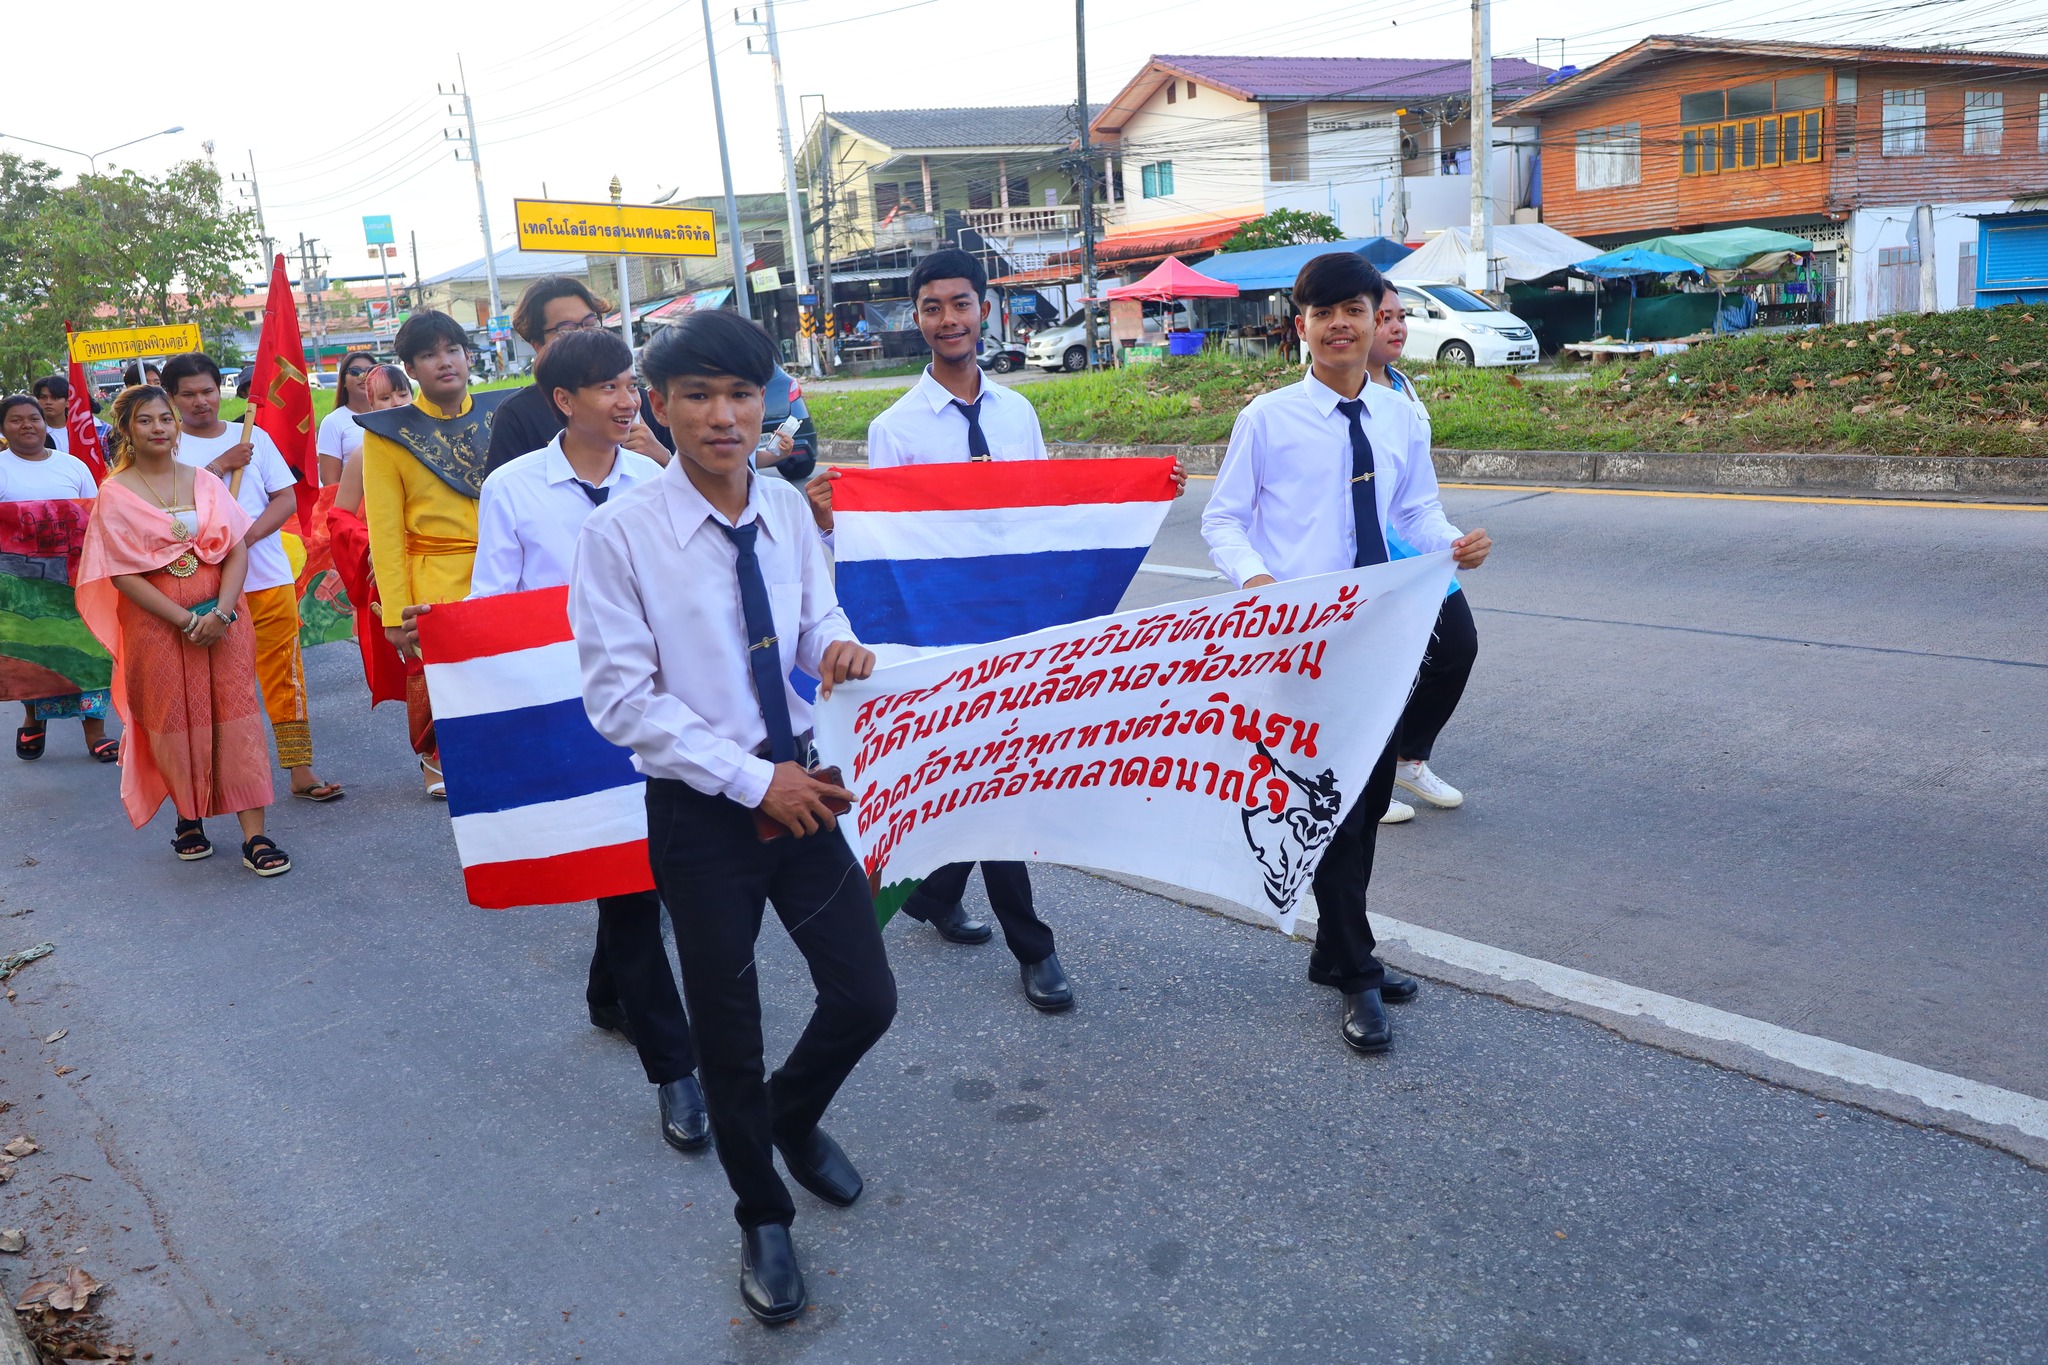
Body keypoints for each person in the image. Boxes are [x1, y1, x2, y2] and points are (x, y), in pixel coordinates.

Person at [570, 310, 893, 1326]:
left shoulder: (786, 508)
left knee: (865, 995)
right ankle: (762, 1215)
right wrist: (753, 783)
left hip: (804, 787)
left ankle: (791, 1118)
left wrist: (833, 650)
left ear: (767, 403)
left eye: (742, 395)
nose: (723, 416)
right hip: (704, 810)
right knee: (729, 1028)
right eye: (698, 396)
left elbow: (812, 620)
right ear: (657, 408)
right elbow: (621, 702)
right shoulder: (618, 535)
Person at [806, 249, 1185, 1012]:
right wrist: (831, 519)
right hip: (943, 631)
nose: (948, 319)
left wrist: (1139, 495)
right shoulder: (894, 428)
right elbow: (888, 543)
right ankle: (1034, 948)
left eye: (960, 304)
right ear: (918, 319)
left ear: (984, 310)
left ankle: (934, 892)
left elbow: (1044, 515)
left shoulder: (1017, 414)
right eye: (932, 307)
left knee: (995, 779)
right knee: (999, 787)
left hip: (1016, 626)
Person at [422, 328, 708, 1154]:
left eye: (630, 385)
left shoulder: (655, 478)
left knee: (645, 876)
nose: (627, 401)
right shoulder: (514, 487)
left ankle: (609, 995)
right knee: (629, 883)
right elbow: (496, 602)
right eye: (609, 387)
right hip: (567, 710)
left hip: (654, 702)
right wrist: (447, 636)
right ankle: (676, 1069)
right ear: (563, 401)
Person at [1201, 252, 1492, 1057]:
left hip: (1381, 636)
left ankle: (1335, 949)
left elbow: (1415, 509)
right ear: (1301, 326)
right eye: (1323, 313)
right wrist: (1259, 581)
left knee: (1361, 807)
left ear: (1375, 319)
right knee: (1333, 807)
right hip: (1302, 644)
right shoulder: (1267, 419)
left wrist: (1451, 542)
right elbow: (1223, 520)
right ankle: (1356, 971)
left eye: (1354, 310)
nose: (1340, 325)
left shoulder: (1401, 416)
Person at [74, 387, 290, 875]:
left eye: (165, 419)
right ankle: (188, 817)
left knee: (236, 717)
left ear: (175, 428)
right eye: (145, 420)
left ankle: (255, 836)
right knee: (173, 719)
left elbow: (236, 548)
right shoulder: (115, 493)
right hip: (156, 625)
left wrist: (223, 614)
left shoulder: (205, 481)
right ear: (126, 430)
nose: (158, 428)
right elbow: (122, 574)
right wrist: (187, 620)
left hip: (225, 620)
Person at [163, 352, 344, 803]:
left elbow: (285, 499)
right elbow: (165, 508)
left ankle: (299, 768)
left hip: (266, 578)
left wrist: (244, 539)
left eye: (208, 391)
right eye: (189, 394)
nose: (201, 402)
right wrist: (220, 465)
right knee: (217, 684)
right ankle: (225, 777)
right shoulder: (167, 447)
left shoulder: (254, 437)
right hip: (202, 588)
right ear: (171, 399)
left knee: (285, 675)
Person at [361, 311, 515, 798]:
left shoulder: (504, 413)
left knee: (510, 677)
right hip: (436, 576)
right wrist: (393, 611)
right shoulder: (387, 433)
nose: (444, 362)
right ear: (410, 368)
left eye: (452, 350)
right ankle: (437, 760)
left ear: (469, 356)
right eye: (429, 355)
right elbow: (385, 530)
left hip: (506, 571)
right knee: (445, 684)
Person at [1366, 281, 1478, 820]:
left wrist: (1448, 540)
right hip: (1365, 555)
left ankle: (1408, 758)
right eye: (1382, 317)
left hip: (1415, 547)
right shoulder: (1319, 399)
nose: (1396, 327)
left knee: (1457, 647)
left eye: (1400, 316)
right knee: (1379, 669)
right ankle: (1362, 783)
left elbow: (1416, 495)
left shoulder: (1403, 386)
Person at [1, 395, 116, 763]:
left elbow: (95, 517)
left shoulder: (73, 466)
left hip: (76, 578)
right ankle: (33, 720)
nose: (27, 425)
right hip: (19, 586)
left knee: (90, 652)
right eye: (16, 419)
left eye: (33, 418)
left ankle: (96, 733)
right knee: (30, 652)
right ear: (3, 428)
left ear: (45, 422)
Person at [483, 277, 670, 473]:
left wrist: (664, 458)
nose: (585, 335)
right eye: (567, 330)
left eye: (590, 323)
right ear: (538, 346)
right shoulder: (517, 415)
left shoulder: (639, 402)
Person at [327, 365, 412, 710]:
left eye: (402, 393)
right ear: (371, 404)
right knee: (419, 673)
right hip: (393, 567)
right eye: (385, 397)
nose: (396, 402)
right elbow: (339, 517)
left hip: (438, 559)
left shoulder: (437, 442)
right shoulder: (365, 453)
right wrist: (372, 547)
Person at [315, 351, 377, 487]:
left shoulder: (391, 414)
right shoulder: (333, 422)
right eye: (355, 371)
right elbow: (331, 483)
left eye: (370, 371)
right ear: (343, 380)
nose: (363, 376)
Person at [31, 375, 113, 455]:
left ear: (68, 402)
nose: (48, 402)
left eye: (55, 398)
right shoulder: (31, 431)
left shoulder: (90, 430)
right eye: (43, 397)